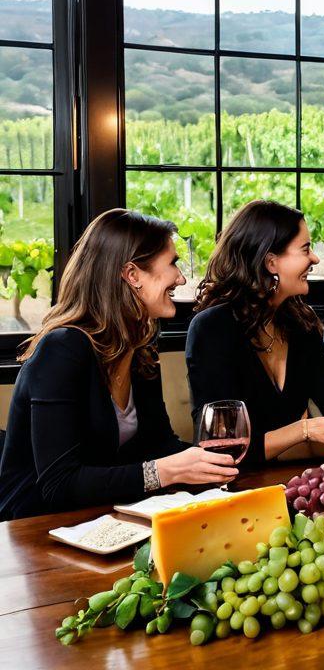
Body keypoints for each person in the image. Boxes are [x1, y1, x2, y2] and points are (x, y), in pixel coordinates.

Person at [0, 209, 236, 519]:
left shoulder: (140, 346)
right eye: (173, 264)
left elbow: (158, 444)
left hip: (102, 519)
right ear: (133, 275)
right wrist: (164, 472)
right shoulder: (61, 350)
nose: (180, 278)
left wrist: (212, 461)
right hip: (33, 528)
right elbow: (58, 485)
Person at [187, 200, 324, 466]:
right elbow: (221, 450)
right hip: (232, 490)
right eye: (305, 249)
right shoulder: (212, 329)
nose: (315, 258)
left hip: (289, 483)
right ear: (271, 262)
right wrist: (304, 431)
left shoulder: (301, 326)